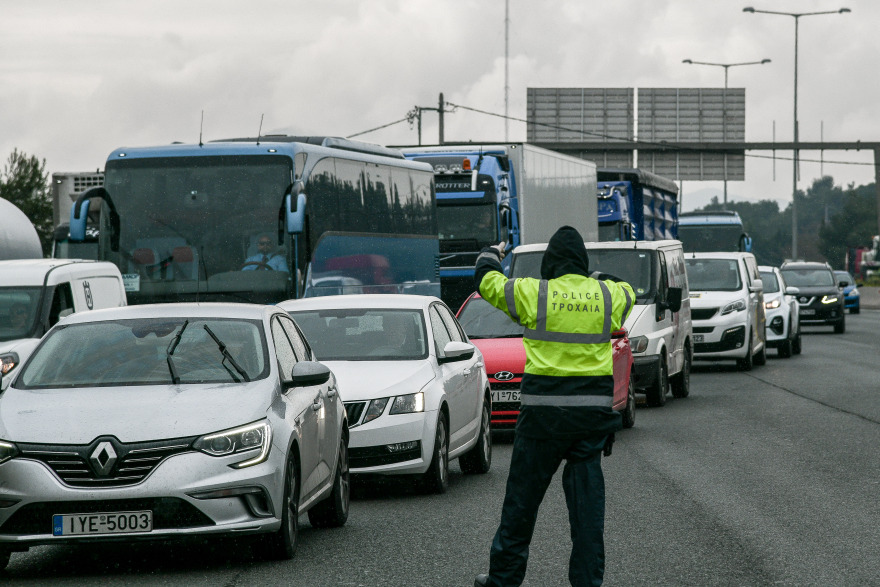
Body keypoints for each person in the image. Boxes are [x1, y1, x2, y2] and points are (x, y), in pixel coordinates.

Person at [473, 226, 634, 587]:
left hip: (541, 424)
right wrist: (594, 277)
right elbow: (627, 290)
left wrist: (490, 255)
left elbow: (487, 283)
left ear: (549, 262)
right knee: (587, 517)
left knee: (520, 507)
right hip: (589, 425)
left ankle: (503, 581)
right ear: (582, 262)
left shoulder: (535, 293)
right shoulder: (605, 297)